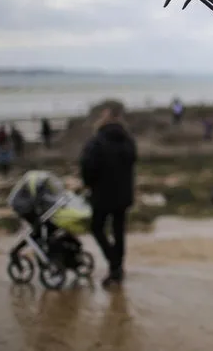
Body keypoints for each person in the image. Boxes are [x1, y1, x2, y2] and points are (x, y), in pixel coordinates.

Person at [79, 104, 137, 287]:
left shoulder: (96, 141)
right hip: (124, 194)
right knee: (119, 231)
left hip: (102, 195)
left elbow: (88, 167)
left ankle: (114, 263)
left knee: (97, 228)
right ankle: (117, 268)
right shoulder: (128, 141)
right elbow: (132, 161)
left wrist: (88, 184)